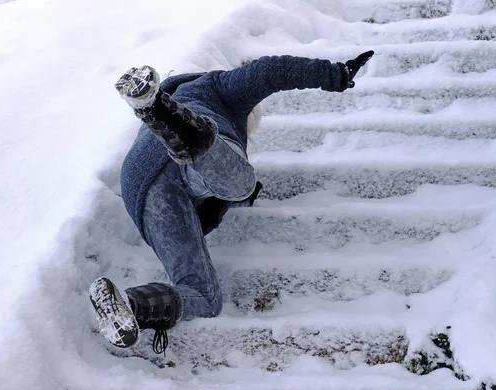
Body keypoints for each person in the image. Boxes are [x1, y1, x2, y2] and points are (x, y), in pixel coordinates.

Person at [89, 51, 375, 355]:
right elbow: (269, 71)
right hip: (182, 158)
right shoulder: (217, 86)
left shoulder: (181, 112)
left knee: (205, 297)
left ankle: (131, 306)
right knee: (240, 183)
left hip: (140, 185)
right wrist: (336, 73)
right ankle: (190, 135)